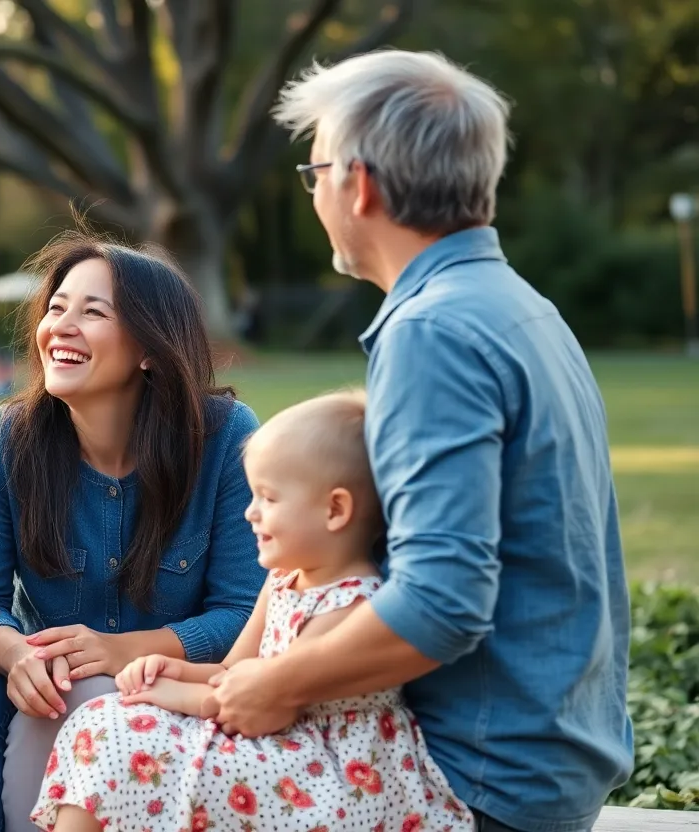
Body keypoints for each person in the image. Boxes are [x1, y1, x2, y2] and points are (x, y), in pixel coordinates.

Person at [204, 49, 633, 832]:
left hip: (475, 777)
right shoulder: (519, 305)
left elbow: (442, 602)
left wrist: (277, 682)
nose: (314, 192)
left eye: (315, 172)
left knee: (122, 749)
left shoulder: (432, 331)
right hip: (549, 759)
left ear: (359, 184)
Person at [0, 229, 267, 832]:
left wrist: (126, 650)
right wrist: (16, 653)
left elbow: (244, 612)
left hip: (178, 679)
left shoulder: (224, 437)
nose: (62, 326)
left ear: (149, 347)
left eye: (93, 312)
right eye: (56, 308)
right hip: (45, 669)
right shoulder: (2, 440)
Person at [32, 391, 474, 832]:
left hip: (329, 779)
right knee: (105, 722)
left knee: (116, 736)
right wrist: (173, 669)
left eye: (269, 499)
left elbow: (267, 703)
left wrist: (167, 694)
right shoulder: (284, 578)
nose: (250, 514)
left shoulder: (351, 603)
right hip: (274, 744)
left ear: (335, 510)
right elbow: (233, 671)